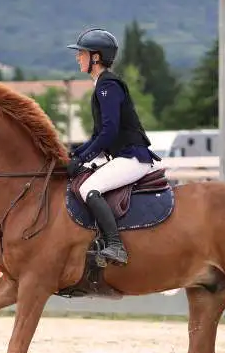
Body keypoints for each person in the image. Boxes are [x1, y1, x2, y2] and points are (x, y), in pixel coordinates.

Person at [66, 28, 161, 266]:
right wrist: (75, 155)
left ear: (95, 57)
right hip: (122, 155)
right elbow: (99, 134)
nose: (78, 57)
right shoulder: (102, 84)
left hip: (132, 157)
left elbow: (109, 132)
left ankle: (116, 246)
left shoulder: (108, 85)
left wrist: (85, 158)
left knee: (90, 188)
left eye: (82, 53)